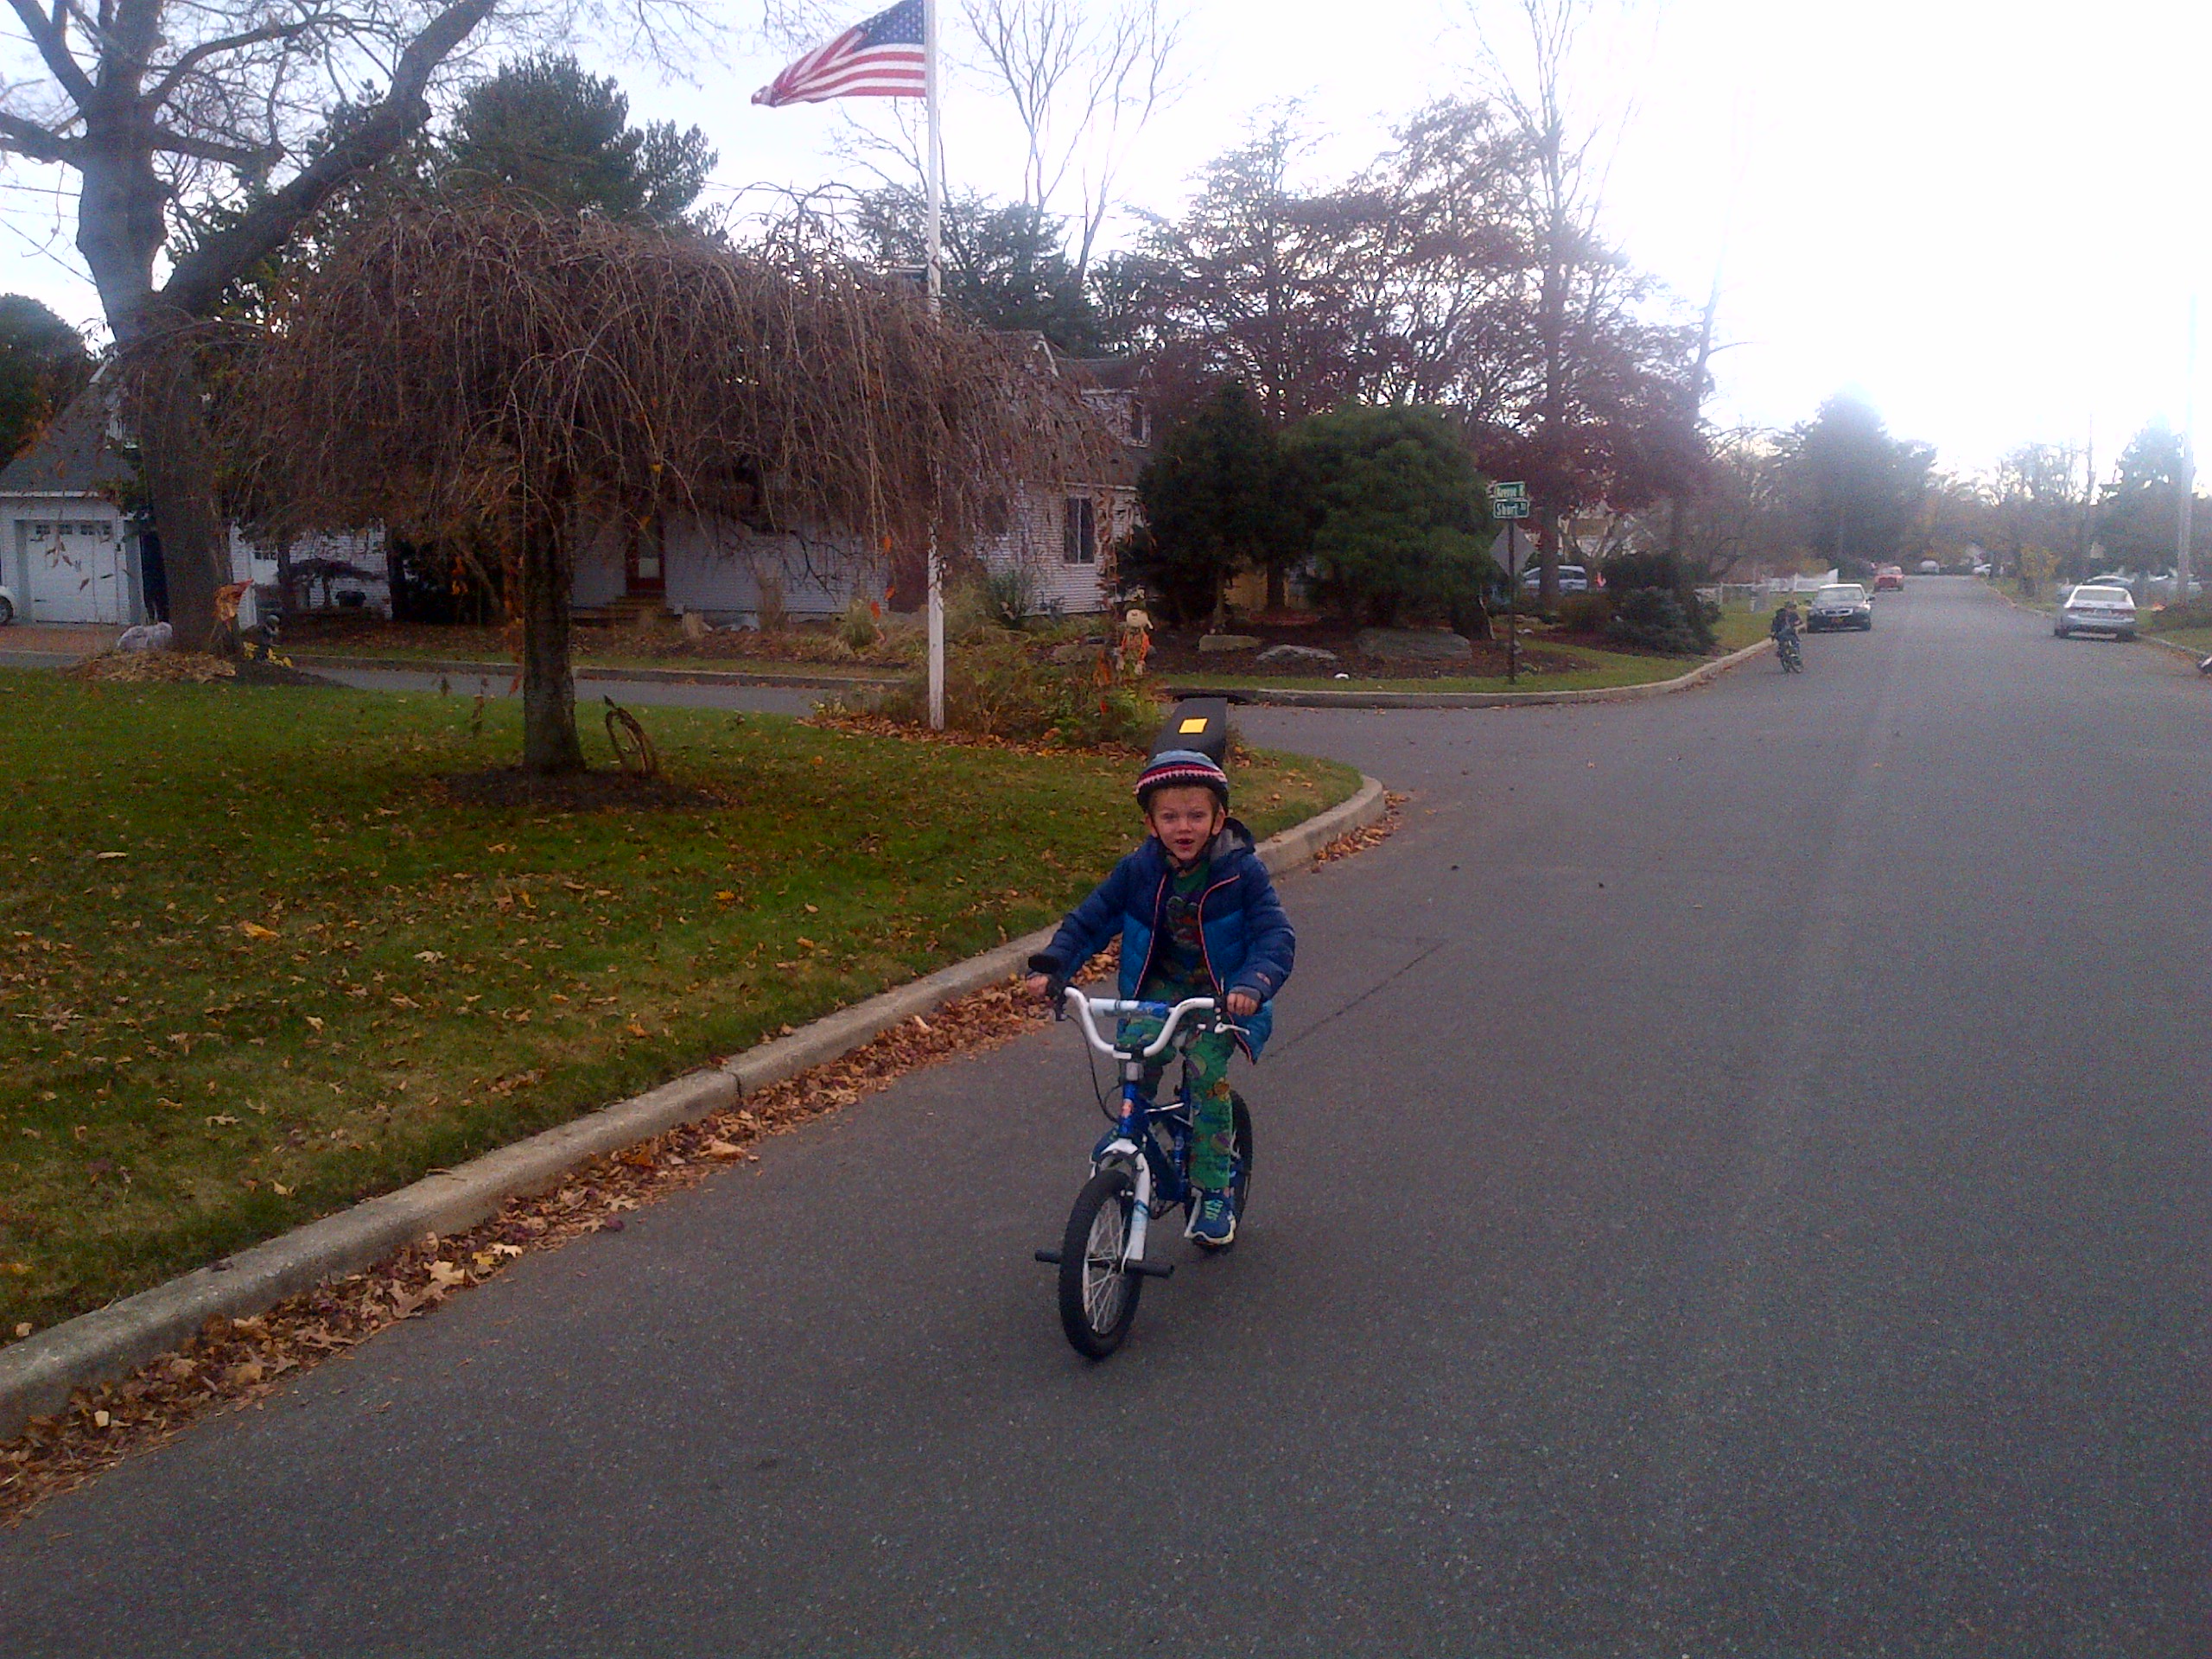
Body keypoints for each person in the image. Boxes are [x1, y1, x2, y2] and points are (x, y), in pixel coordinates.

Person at [1026, 750, 1294, 1247]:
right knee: (1136, 1054)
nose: (1183, 827)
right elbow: (1090, 920)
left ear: (1218, 820)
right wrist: (1054, 967)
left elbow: (1274, 936)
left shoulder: (1241, 873)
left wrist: (1251, 985)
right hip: (1160, 990)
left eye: (1196, 815)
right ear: (1151, 824)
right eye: (1170, 817)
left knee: (1207, 1077)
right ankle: (1133, 1128)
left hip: (1219, 995)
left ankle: (1214, 1190)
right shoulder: (1138, 871)